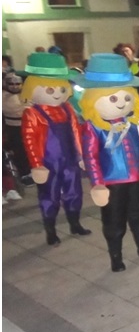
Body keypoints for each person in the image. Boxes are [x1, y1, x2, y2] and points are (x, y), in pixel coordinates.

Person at [77, 54, 139, 272]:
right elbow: (90, 156)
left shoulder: (136, 122)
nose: (122, 103)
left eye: (126, 97)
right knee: (114, 220)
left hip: (137, 177)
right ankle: (116, 255)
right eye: (113, 98)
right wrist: (97, 183)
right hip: (112, 181)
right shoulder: (93, 127)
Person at [21, 52, 92, 245]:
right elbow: (29, 140)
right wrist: (36, 165)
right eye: (50, 90)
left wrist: (81, 155)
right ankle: (50, 229)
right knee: (49, 195)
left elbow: (76, 132)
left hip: (69, 159)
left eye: (61, 89)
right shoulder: (32, 114)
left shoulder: (67, 108)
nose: (58, 94)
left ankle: (74, 223)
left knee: (74, 191)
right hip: (48, 162)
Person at [3, 70, 31, 185]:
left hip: (29, 126)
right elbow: (13, 109)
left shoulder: (27, 94)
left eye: (17, 84)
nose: (14, 86)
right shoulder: (3, 96)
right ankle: (25, 174)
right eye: (11, 84)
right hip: (12, 128)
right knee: (19, 151)